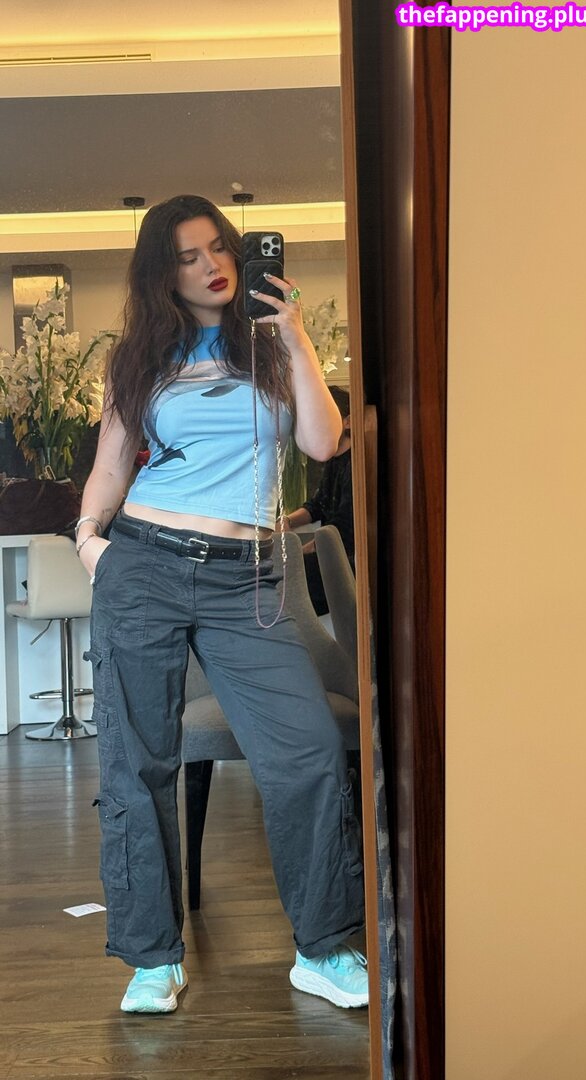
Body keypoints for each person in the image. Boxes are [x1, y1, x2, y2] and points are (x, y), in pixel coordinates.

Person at [75, 194, 367, 1015]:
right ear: (162, 274)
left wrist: (295, 334)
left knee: (308, 749)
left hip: (247, 581)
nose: (211, 265)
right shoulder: (141, 359)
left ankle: (323, 948)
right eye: (187, 256)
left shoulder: (271, 346)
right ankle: (152, 960)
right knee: (139, 764)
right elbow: (111, 464)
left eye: (218, 247)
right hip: (144, 564)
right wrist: (90, 541)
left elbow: (322, 441)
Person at [277, 386, 353, 615]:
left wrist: (300, 551)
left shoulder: (356, 463)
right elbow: (318, 505)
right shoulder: (334, 459)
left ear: (347, 422)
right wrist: (287, 521)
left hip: (346, 559)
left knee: (282, 584)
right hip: (331, 551)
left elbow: (345, 528)